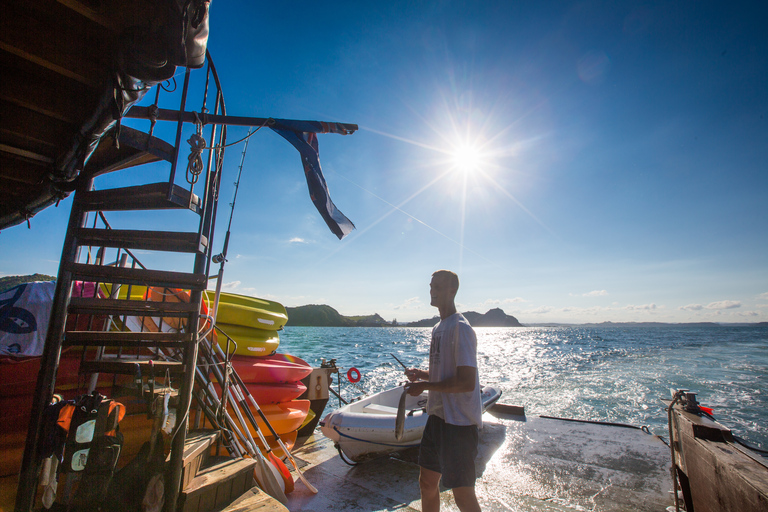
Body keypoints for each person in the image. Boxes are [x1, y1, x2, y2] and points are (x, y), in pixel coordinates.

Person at [405, 270, 482, 512]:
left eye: (438, 286)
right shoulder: (438, 327)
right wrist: (422, 374)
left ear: (452, 291)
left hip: (458, 424)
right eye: (431, 286)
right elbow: (445, 375)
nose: (432, 290)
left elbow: (467, 382)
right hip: (436, 418)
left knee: (462, 494)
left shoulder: (461, 328)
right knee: (427, 483)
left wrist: (425, 386)